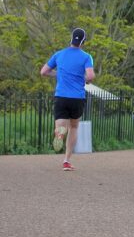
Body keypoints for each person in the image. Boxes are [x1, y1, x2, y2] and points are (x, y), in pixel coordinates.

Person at [39, 28, 95, 171]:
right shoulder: (86, 57)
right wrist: (82, 79)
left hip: (61, 96)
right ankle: (66, 160)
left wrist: (58, 75)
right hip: (77, 98)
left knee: (61, 126)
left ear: (71, 39)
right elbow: (90, 76)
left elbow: (43, 72)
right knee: (74, 127)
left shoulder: (59, 54)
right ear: (83, 41)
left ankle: (59, 134)